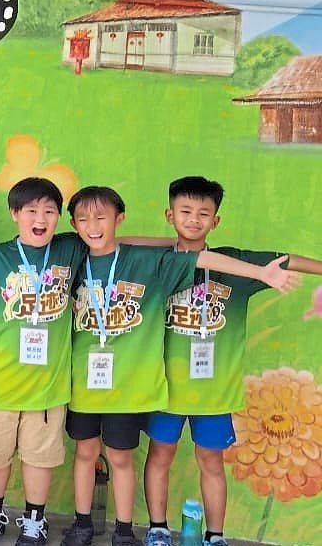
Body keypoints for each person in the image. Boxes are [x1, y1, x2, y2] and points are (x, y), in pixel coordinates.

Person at [60, 186, 298, 546]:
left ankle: (140, 532)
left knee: (131, 459)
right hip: (90, 388)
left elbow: (202, 260)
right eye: (84, 219)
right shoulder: (75, 256)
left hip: (139, 391)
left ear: (118, 218)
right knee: (93, 454)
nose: (93, 226)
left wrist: (260, 273)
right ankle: (99, 525)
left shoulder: (142, 262)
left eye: (102, 218)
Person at [141, 177, 322, 546]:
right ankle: (158, 529)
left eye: (204, 213)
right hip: (163, 388)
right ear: (169, 214)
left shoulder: (238, 264)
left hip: (215, 391)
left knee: (211, 461)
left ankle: (215, 536)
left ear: (215, 221)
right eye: (185, 211)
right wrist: (168, 244)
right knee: (160, 456)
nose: (194, 220)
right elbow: (122, 242)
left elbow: (286, 259)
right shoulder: (156, 262)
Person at [0, 177, 88, 546]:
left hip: (47, 385)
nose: (41, 217)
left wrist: (177, 247)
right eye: (31, 210)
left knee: (40, 456)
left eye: (50, 211)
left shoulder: (70, 250)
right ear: (15, 214)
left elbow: (115, 245)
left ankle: (35, 520)